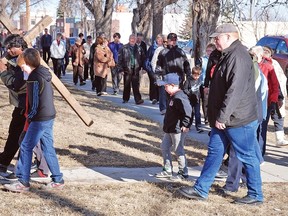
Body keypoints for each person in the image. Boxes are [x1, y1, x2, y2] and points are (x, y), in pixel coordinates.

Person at [178, 23, 263, 205]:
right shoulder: (226, 54)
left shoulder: (238, 57)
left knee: (247, 156)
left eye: (218, 38)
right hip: (223, 119)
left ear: (229, 37)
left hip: (238, 119)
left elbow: (235, 91)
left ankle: (256, 195)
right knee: (214, 153)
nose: (215, 41)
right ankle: (201, 189)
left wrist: (223, 117)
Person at [4, 48, 64, 192]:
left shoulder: (33, 77)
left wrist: (30, 118)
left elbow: (35, 101)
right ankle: (58, 179)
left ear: (28, 63)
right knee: (47, 147)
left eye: (22, 65)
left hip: (39, 118)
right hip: (48, 116)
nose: (21, 69)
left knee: (25, 146)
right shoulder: (43, 72)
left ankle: (23, 182)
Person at [155, 73, 192, 180]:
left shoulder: (180, 97)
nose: (164, 88)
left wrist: (185, 124)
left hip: (177, 130)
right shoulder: (172, 96)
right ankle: (167, 169)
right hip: (170, 128)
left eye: (166, 86)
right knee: (164, 147)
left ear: (172, 85)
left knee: (178, 150)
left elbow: (188, 111)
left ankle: (183, 173)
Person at [0, 34, 27, 175]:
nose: (9, 50)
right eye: (7, 48)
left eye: (11, 47)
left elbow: (18, 85)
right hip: (21, 103)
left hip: (26, 104)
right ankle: (4, 160)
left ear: (20, 47)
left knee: (18, 135)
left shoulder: (25, 61)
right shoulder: (17, 58)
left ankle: (6, 162)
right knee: (15, 132)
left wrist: (3, 72)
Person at [262, 45, 288, 146]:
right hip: (264, 96)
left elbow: (279, 80)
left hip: (274, 94)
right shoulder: (259, 63)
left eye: (267, 51)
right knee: (263, 122)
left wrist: (280, 96)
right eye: (263, 51)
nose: (265, 53)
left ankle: (279, 138)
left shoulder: (274, 64)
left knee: (278, 115)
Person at [117, 34, 145, 105]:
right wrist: (121, 69)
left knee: (136, 85)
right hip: (127, 68)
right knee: (127, 84)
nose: (133, 40)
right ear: (129, 39)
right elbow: (119, 59)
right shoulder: (124, 48)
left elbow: (143, 59)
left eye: (134, 39)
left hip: (136, 69)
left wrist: (143, 68)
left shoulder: (139, 48)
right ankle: (125, 98)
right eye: (131, 39)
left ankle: (138, 100)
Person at [198, 43, 216, 124]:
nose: (208, 52)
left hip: (213, 84)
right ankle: (206, 118)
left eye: (210, 51)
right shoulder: (203, 59)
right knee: (205, 101)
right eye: (207, 51)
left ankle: (210, 117)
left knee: (211, 102)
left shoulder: (216, 60)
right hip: (203, 83)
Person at [144, 34, 164, 104]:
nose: (160, 41)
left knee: (159, 83)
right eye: (159, 40)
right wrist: (147, 68)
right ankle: (153, 98)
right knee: (153, 83)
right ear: (156, 40)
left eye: (161, 40)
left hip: (160, 69)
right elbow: (147, 58)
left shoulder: (163, 48)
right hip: (152, 68)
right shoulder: (152, 48)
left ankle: (159, 98)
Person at [151, 35, 168, 115]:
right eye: (164, 42)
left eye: (166, 42)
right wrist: (157, 74)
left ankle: (169, 108)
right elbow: (153, 62)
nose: (165, 43)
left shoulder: (172, 50)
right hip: (161, 74)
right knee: (162, 92)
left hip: (170, 75)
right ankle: (163, 108)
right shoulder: (159, 50)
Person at [183, 66, 203, 133]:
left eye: (198, 76)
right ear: (192, 74)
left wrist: (202, 96)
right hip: (190, 100)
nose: (196, 77)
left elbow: (201, 89)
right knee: (190, 113)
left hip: (197, 99)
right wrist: (189, 93)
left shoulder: (199, 80)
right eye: (195, 75)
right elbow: (185, 89)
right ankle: (188, 125)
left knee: (197, 113)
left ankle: (198, 126)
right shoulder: (188, 80)